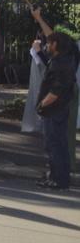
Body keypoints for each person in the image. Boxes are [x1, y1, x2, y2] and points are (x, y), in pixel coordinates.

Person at [36, 31, 78, 191]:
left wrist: (42, 105)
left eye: (48, 43)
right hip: (55, 109)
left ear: (55, 45)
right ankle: (55, 176)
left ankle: (59, 179)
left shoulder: (61, 64)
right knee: (56, 144)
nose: (46, 45)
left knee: (55, 145)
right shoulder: (60, 60)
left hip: (54, 110)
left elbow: (56, 91)